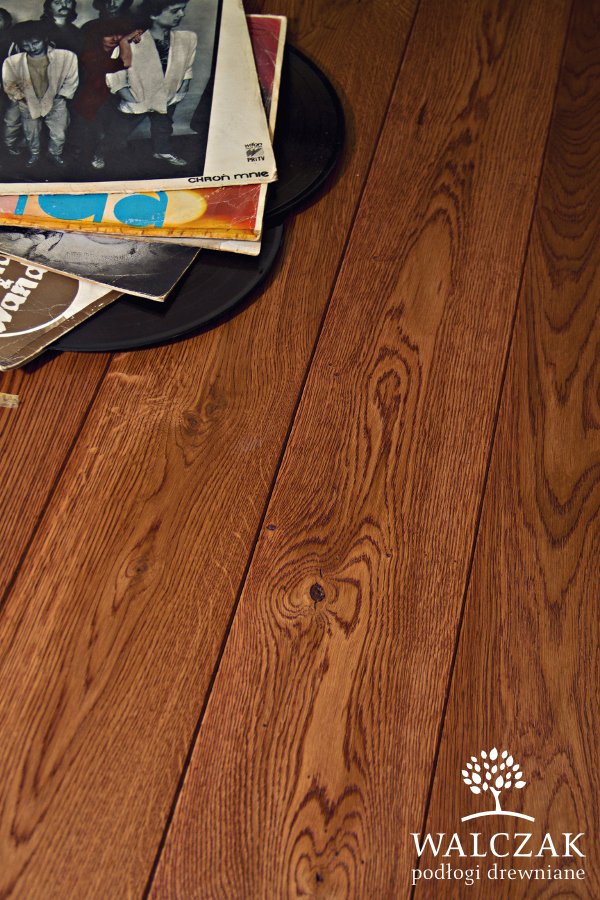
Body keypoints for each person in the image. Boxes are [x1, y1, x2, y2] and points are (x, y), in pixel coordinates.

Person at [106, 0, 196, 167]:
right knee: (119, 130)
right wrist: (127, 95)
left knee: (163, 126)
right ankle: (100, 153)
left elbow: (187, 67)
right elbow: (115, 72)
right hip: (138, 95)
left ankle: (163, 150)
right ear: (154, 14)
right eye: (175, 11)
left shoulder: (188, 39)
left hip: (167, 95)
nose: (181, 14)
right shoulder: (131, 41)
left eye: (182, 10)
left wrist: (182, 88)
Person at [2, 21, 78, 167]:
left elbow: (71, 79)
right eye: (26, 45)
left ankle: (55, 153)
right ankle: (34, 154)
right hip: (27, 102)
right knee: (31, 133)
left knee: (59, 133)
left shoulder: (66, 57)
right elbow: (9, 84)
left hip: (56, 101)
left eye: (36, 43)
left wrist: (62, 95)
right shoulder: (13, 62)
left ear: (45, 38)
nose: (32, 48)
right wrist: (21, 98)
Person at [73, 19, 142, 169]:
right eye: (109, 35)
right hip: (90, 101)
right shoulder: (89, 54)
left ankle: (102, 153)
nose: (115, 38)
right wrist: (124, 41)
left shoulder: (119, 49)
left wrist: (135, 37)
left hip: (112, 98)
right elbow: (124, 63)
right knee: (90, 135)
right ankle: (86, 159)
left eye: (119, 34)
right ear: (98, 36)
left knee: (116, 131)